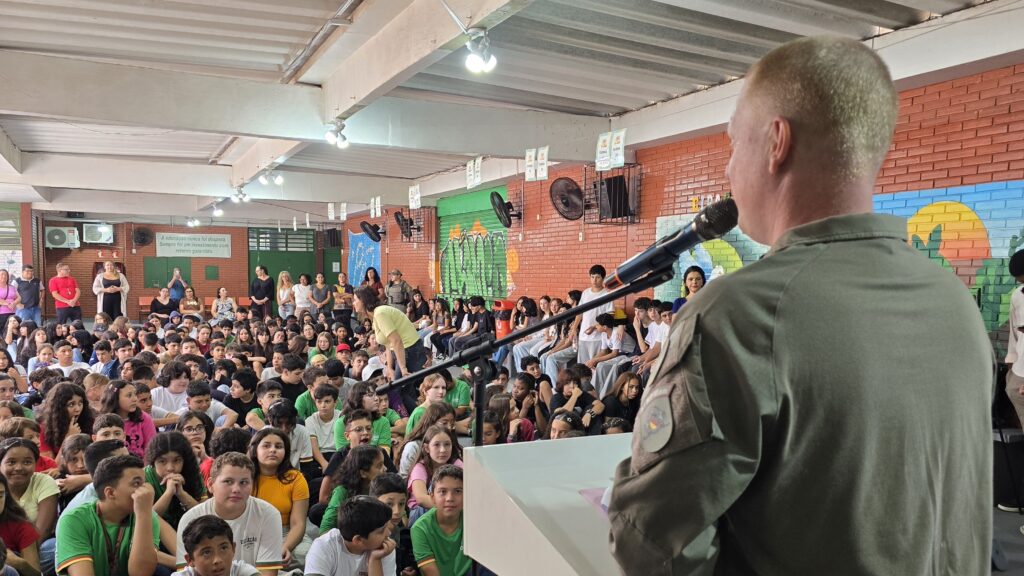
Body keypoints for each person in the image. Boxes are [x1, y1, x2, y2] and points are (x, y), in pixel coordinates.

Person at [609, 36, 993, 574]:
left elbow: (652, 540)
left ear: (777, 142)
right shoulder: (954, 301)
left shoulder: (739, 314)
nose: (728, 170)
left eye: (733, 144)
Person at [175, 453, 284, 576]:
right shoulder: (191, 519)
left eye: (244, 482)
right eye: (228, 481)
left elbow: (268, 573)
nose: (236, 489)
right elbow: (187, 572)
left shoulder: (268, 514)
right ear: (210, 485)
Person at [54, 454, 158, 576]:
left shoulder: (146, 516)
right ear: (110, 493)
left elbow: (140, 573)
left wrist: (143, 515)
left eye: (144, 483)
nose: (147, 491)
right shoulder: (74, 520)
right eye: (136, 484)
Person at [352, 286, 426, 413]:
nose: (353, 303)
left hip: (410, 351)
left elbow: (396, 341)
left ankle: (420, 419)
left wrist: (403, 368)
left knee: (398, 391)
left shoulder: (380, 313)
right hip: (402, 352)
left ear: (363, 300)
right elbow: (388, 344)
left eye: (355, 300)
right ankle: (416, 418)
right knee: (405, 391)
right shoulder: (376, 315)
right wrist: (389, 367)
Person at [248, 427, 310, 568]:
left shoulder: (296, 478)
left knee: (306, 554)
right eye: (266, 446)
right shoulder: (245, 478)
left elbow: (298, 523)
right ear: (255, 450)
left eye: (278, 446)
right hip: (252, 533)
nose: (273, 450)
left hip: (285, 532)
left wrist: (286, 547)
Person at [307, 496, 396, 576]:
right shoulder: (324, 546)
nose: (388, 533)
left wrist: (375, 560)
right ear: (358, 539)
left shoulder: (384, 548)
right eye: (381, 531)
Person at [410, 465, 469, 576]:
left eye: (457, 491)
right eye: (442, 492)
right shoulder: (420, 528)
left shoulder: (473, 520)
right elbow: (430, 572)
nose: (450, 498)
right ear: (432, 497)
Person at [174, 515, 260, 576]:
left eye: (223, 548)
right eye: (206, 553)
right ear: (190, 560)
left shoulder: (243, 572)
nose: (217, 560)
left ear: (233, 548)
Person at [0, 473, 41, 576]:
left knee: (8, 570)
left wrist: (19, 563)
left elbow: (36, 574)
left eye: (0, 496)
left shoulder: (19, 526)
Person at [0, 270, 19, 338]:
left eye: (5, 275)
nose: (4, 276)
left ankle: (12, 343)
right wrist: (8, 304)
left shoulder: (11, 287)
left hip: (12, 313)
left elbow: (19, 297)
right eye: (2, 274)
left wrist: (14, 303)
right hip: (1, 313)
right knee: (3, 332)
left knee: (13, 331)